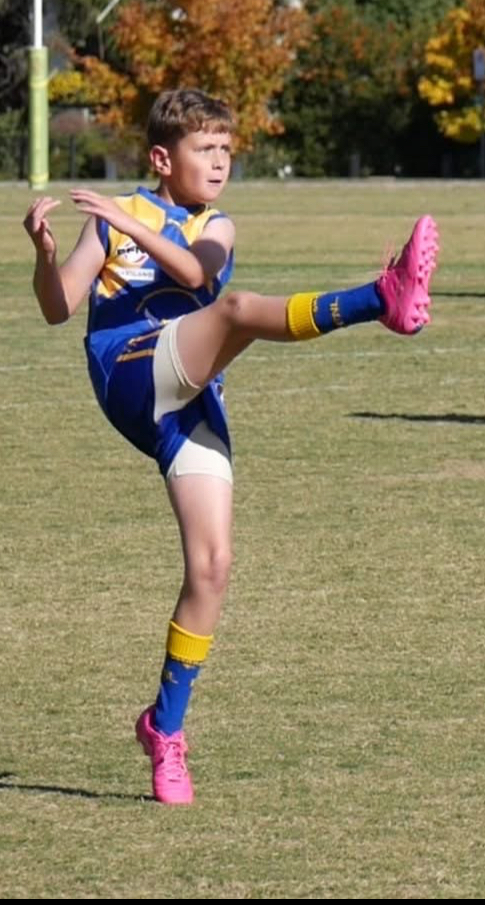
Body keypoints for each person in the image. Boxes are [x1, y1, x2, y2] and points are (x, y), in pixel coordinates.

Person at [23, 88, 439, 806]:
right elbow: (58, 307)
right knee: (239, 312)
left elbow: (196, 272)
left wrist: (129, 223)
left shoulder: (217, 224)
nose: (220, 162)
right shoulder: (117, 216)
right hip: (129, 369)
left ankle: (164, 728)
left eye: (225, 150)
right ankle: (380, 298)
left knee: (211, 567)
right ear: (162, 159)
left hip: (189, 392)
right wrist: (46, 252)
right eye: (204, 149)